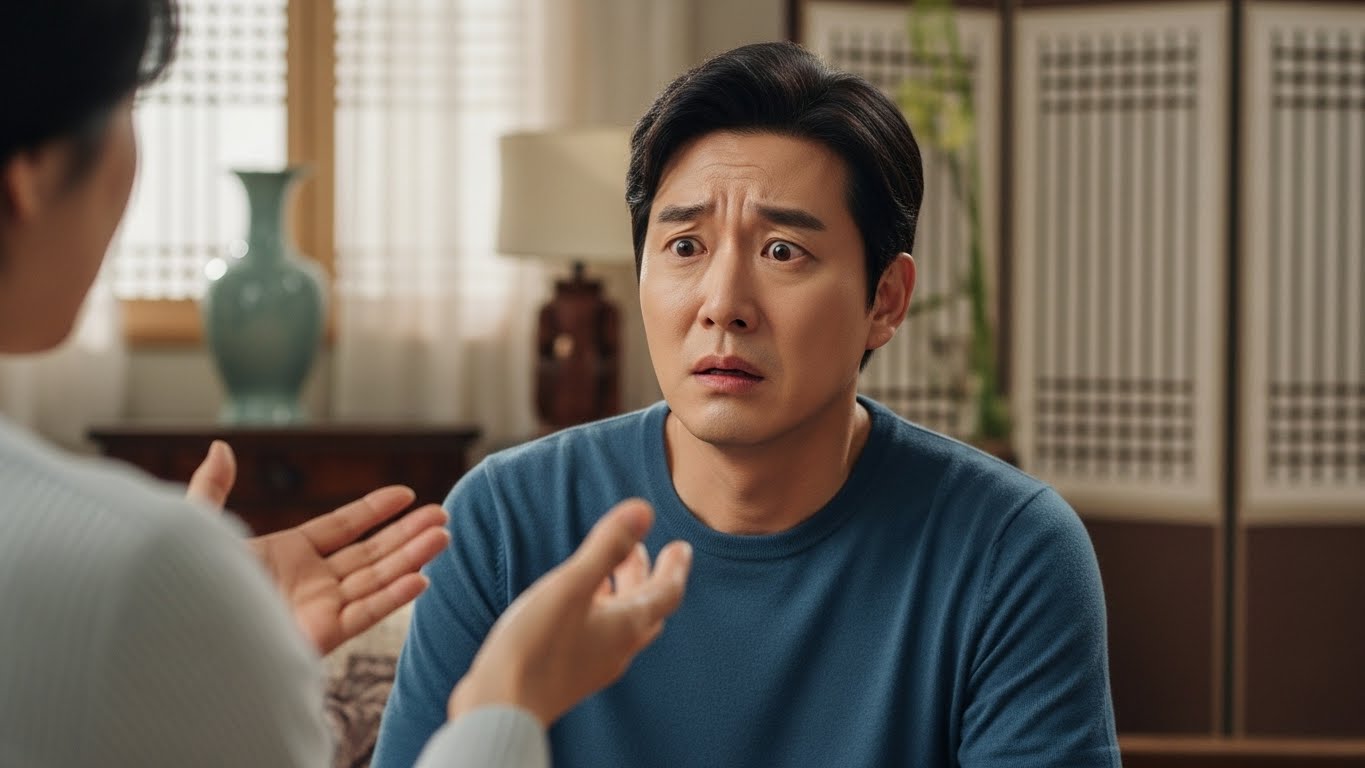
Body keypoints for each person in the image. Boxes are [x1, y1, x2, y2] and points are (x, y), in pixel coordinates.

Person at [375, 40, 1121, 767]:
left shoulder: (1008, 551)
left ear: (885, 301)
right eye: (685, 247)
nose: (722, 305)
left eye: (781, 252)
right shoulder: (504, 522)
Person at [0, 1, 690, 766]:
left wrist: (192, 627)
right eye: (127, 108)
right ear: (30, 175)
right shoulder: (135, 573)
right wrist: (505, 699)